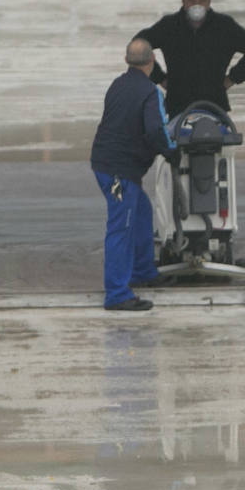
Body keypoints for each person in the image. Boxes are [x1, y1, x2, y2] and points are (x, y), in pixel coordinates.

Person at [90, 39, 176, 311]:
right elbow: (155, 130)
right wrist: (171, 151)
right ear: (152, 62)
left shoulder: (118, 84)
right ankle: (116, 294)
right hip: (119, 171)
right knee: (121, 227)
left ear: (128, 61)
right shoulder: (151, 93)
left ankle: (142, 272)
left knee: (141, 212)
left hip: (107, 162)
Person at [133, 0, 245, 116]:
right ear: (183, 0)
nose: (197, 6)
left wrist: (232, 78)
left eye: (202, 1)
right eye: (191, 1)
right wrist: (159, 77)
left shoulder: (224, 26)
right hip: (177, 106)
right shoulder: (169, 26)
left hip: (215, 106)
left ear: (209, 1)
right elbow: (138, 46)